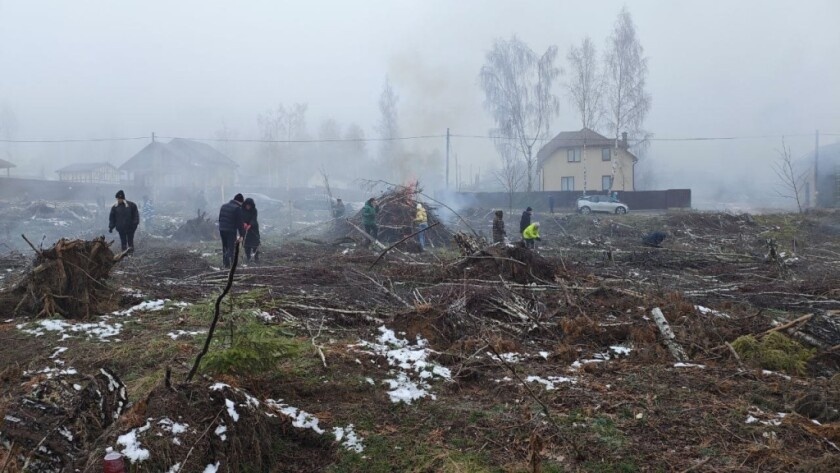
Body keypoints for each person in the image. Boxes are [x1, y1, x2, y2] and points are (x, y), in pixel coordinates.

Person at [218, 193, 246, 268]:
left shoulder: (223, 206)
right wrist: (242, 235)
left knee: (225, 247)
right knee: (231, 247)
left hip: (222, 229)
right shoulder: (237, 208)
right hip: (230, 230)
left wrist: (221, 227)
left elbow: (220, 218)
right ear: (240, 201)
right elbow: (240, 223)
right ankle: (231, 265)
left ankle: (225, 264)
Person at [108, 190, 140, 254]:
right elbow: (112, 218)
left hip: (130, 228)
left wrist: (134, 224)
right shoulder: (115, 207)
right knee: (123, 242)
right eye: (117, 199)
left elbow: (136, 216)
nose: (118, 200)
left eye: (119, 199)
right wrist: (111, 227)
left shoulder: (131, 205)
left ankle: (131, 254)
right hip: (121, 228)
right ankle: (124, 255)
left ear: (122, 198)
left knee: (130, 241)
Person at [242, 197, 260, 264]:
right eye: (247, 205)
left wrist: (250, 225)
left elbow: (254, 218)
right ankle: (248, 257)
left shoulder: (254, 210)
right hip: (245, 229)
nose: (248, 207)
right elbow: (240, 218)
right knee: (246, 244)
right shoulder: (241, 210)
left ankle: (256, 257)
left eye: (249, 205)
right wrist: (243, 223)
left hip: (253, 229)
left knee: (255, 243)